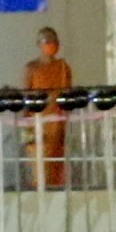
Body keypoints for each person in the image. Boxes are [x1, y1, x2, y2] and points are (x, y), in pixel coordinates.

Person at [21, 26, 72, 188]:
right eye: (47, 41)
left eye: (54, 41)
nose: (52, 44)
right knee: (39, 169)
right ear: (39, 44)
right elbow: (26, 99)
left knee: (57, 168)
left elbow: (67, 95)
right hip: (37, 126)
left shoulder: (63, 67)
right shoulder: (31, 69)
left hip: (58, 125)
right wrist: (26, 126)